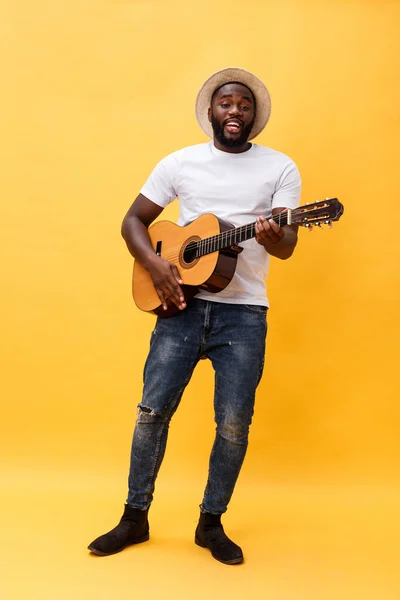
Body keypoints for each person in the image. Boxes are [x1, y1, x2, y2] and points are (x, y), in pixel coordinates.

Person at [88, 67, 301, 565]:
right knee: (151, 414)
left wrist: (277, 235)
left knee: (233, 424)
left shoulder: (280, 167)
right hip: (180, 306)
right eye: (226, 102)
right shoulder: (181, 162)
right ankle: (134, 517)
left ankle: (211, 523)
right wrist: (156, 264)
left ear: (254, 117)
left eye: (244, 105)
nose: (235, 111)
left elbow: (288, 247)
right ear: (211, 110)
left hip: (244, 315)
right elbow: (132, 221)